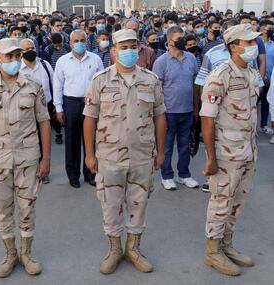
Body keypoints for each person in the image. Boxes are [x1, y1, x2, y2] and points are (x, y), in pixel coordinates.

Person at [83, 28, 166, 275]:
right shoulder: (100, 80)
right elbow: (89, 119)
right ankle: (114, 250)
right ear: (114, 50)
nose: (129, 51)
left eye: (133, 47)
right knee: (110, 205)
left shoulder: (150, 79)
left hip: (142, 155)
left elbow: (160, 116)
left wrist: (160, 152)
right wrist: (89, 154)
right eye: (124, 47)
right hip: (109, 157)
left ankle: (133, 249)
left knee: (138, 204)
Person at [0, 38, 51, 278]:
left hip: (28, 158)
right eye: (9, 57)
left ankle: (26, 253)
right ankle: (10, 254)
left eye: (17, 56)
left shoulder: (33, 85)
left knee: (27, 208)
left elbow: (44, 122)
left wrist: (46, 159)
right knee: (3, 209)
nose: (14, 61)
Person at [200, 24, 260, 276]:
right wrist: (211, 158)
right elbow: (207, 118)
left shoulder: (250, 73)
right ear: (233, 46)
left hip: (248, 150)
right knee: (221, 202)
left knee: (238, 202)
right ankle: (212, 251)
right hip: (226, 153)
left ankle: (226, 245)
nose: (253, 46)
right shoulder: (220, 75)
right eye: (248, 42)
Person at [53, 30, 104, 188]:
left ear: (87, 42)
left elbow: (102, 83)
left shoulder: (95, 59)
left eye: (82, 40)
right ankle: (73, 175)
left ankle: (90, 173)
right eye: (76, 41)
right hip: (71, 103)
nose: (79, 43)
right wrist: (59, 108)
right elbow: (57, 85)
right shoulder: (63, 61)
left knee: (91, 140)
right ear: (70, 43)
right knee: (72, 140)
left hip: (91, 103)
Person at [152, 26, 199, 190]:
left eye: (183, 38)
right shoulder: (161, 62)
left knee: (185, 145)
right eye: (178, 39)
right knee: (167, 146)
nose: (182, 41)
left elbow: (194, 85)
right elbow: (157, 90)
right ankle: (167, 176)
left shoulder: (191, 59)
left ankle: (184, 174)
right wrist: (159, 113)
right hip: (168, 112)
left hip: (187, 110)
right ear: (169, 41)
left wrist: (196, 107)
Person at [20, 38, 55, 184]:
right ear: (21, 53)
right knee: (27, 141)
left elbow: (54, 83)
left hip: (45, 107)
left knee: (43, 140)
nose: (30, 51)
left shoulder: (45, 65)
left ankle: (43, 170)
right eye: (26, 49)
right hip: (25, 110)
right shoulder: (18, 69)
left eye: (32, 48)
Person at [259, 20, 274, 134]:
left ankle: (263, 124)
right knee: (253, 104)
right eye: (270, 28)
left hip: (269, 80)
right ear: (263, 29)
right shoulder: (256, 43)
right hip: (257, 80)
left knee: (266, 103)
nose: (271, 30)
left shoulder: (273, 45)